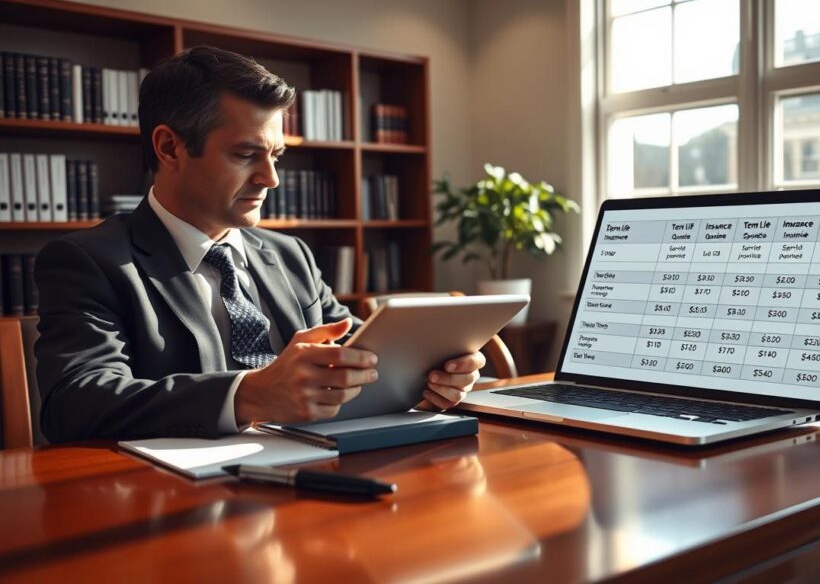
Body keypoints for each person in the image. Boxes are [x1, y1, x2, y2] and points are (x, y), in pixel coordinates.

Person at [33, 46, 485, 442]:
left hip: (315, 472)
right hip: (176, 496)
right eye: (246, 155)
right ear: (169, 148)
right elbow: (74, 402)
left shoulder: (291, 255)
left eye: (276, 156)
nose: (271, 180)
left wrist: (428, 378)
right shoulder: (90, 261)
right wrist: (248, 394)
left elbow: (360, 353)